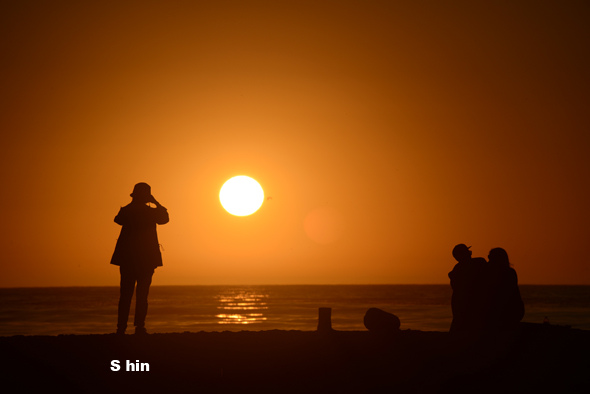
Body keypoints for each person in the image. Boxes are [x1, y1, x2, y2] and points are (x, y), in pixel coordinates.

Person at [111, 182, 169, 335]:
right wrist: (155, 202)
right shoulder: (148, 212)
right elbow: (164, 217)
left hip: (131, 259)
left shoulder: (130, 210)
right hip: (143, 259)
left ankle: (123, 327)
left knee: (127, 295)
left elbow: (118, 219)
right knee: (141, 295)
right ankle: (137, 327)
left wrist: (147, 203)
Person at [448, 244, 487, 336]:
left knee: (459, 324)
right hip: (469, 301)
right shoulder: (479, 262)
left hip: (462, 301)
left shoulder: (457, 269)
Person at [486, 247, 524, 331]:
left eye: (490, 257)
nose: (488, 259)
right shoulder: (510, 272)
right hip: (513, 311)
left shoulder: (501, 273)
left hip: (506, 312)